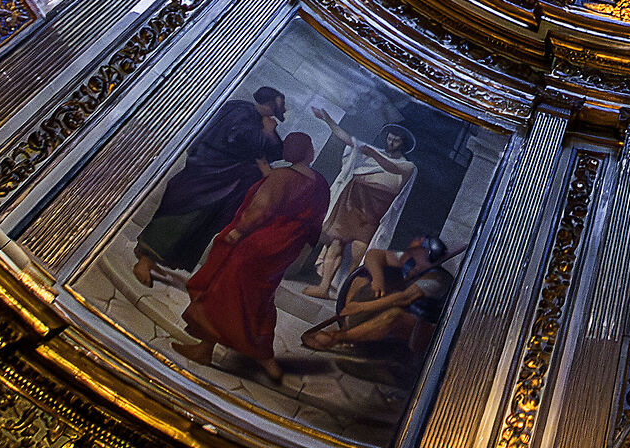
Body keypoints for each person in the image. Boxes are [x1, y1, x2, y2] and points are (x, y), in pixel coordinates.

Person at [170, 131, 331, 385]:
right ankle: (260, 357)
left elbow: (262, 208)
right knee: (259, 299)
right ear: (309, 152)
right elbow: (314, 224)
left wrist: (238, 231)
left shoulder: (282, 177)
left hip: (256, 246)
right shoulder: (320, 183)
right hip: (283, 250)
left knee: (225, 293)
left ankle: (210, 349)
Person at [134, 87, 286, 286]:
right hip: (207, 174)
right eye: (278, 106)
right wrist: (264, 134)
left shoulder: (254, 117)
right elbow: (238, 141)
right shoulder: (239, 111)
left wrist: (270, 135)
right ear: (269, 104)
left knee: (199, 223)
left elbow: (277, 152)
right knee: (182, 217)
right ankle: (144, 261)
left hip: (223, 182)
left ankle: (158, 260)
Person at [302, 236, 454, 375]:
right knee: (362, 279)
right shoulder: (410, 259)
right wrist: (378, 279)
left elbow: (402, 299)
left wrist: (361, 307)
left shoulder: (437, 280)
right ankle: (349, 328)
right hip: (397, 304)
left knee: (393, 314)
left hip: (422, 328)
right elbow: (374, 255)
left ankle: (339, 337)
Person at [302, 119, 417, 298]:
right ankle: (323, 288)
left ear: (404, 144)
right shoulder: (372, 155)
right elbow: (348, 139)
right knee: (335, 245)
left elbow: (390, 167)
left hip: (372, 213)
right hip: (351, 203)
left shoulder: (407, 166)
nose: (391, 142)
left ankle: (345, 294)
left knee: (358, 256)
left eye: (397, 140)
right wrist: (327, 118)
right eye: (390, 137)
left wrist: (370, 151)